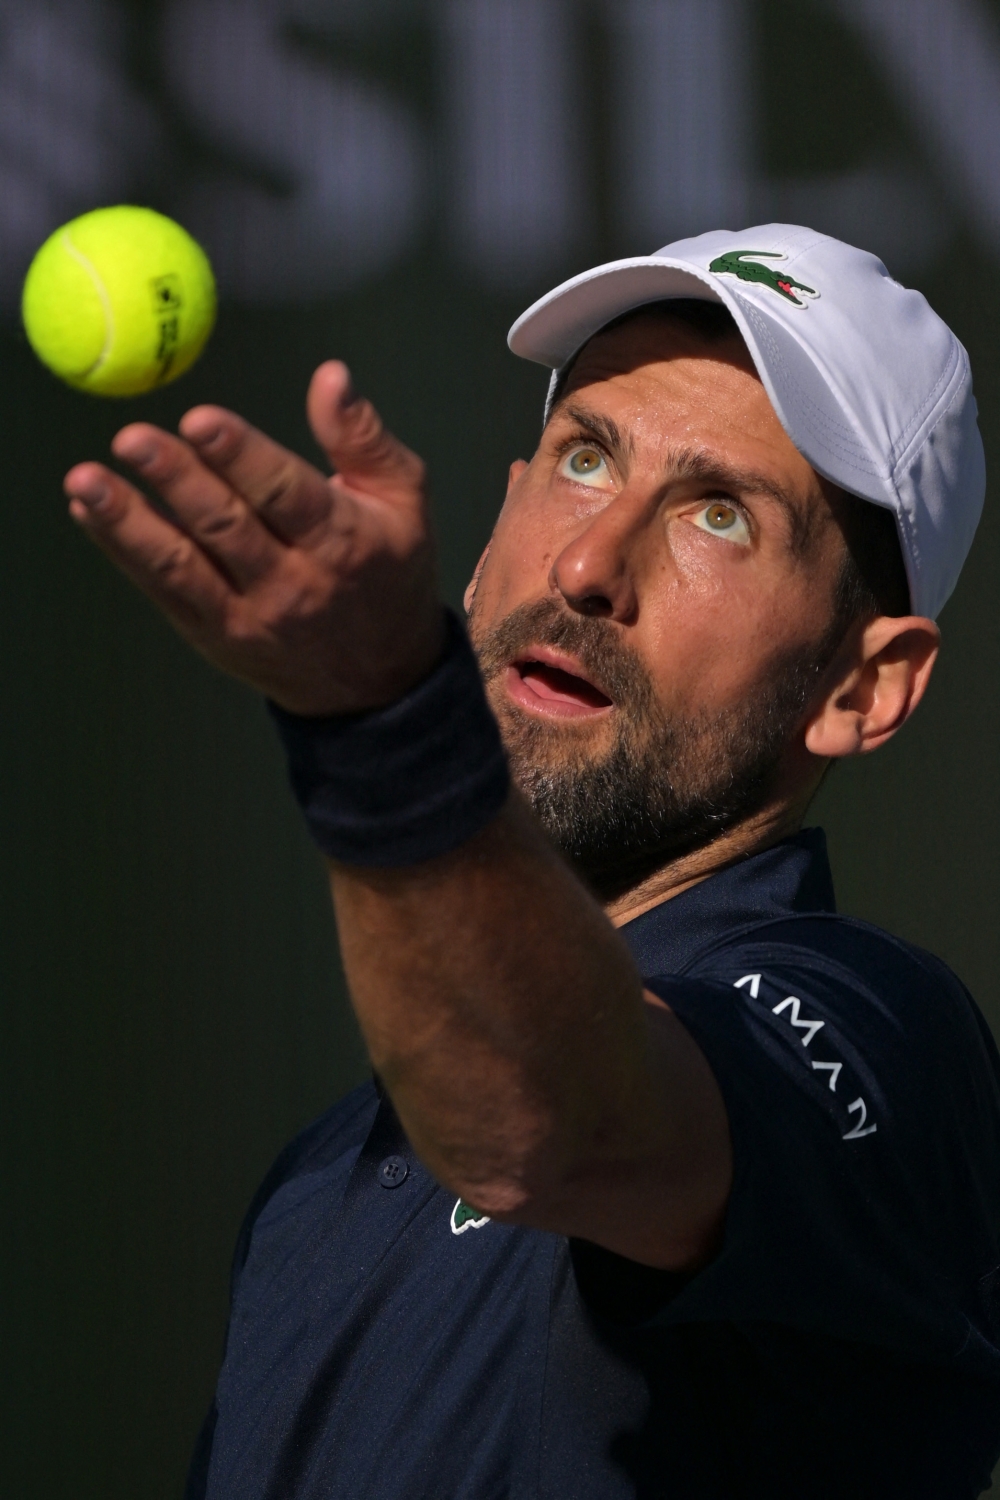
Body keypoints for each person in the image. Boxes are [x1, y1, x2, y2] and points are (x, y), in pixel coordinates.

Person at [65, 225, 1000, 1499]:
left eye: (718, 515)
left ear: (862, 685)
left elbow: (553, 1129)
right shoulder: (317, 1184)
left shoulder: (886, 1039)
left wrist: (386, 729)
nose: (586, 564)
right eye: (583, 457)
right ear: (504, 502)